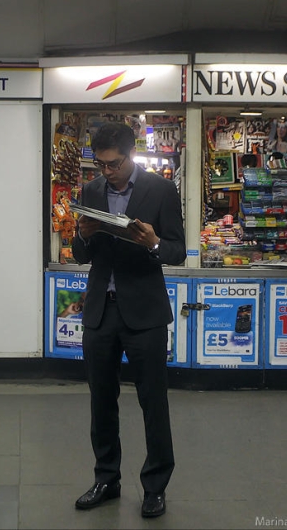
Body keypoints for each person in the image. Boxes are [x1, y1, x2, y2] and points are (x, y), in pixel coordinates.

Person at [72, 122, 186, 519]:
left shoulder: (161, 190)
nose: (108, 172)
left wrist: (153, 242)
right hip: (101, 311)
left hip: (145, 311)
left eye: (114, 164)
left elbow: (178, 250)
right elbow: (79, 255)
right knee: (101, 400)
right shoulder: (91, 192)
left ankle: (155, 487)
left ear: (130, 154)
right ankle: (107, 478)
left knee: (152, 401)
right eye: (101, 165)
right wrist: (84, 235)